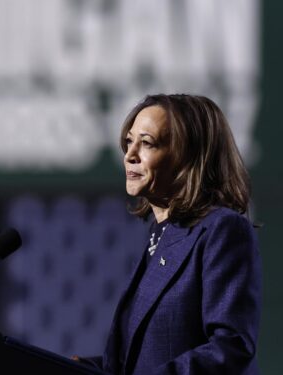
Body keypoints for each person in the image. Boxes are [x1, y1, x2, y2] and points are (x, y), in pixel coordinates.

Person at [81, 94, 261, 374]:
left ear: (188, 157)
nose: (129, 155)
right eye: (129, 141)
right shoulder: (161, 235)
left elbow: (232, 347)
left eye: (147, 143)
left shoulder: (221, 230)